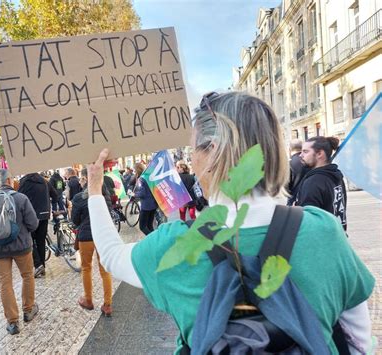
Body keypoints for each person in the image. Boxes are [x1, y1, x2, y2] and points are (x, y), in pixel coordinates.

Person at [85, 92, 374, 354]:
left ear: (212, 152)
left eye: (192, 149)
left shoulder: (174, 245)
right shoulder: (323, 231)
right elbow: (359, 341)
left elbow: (110, 255)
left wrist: (95, 188)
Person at [0, 169, 39, 335]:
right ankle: (28, 310)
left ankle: (12, 322)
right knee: (27, 275)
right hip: (21, 246)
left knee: (5, 283)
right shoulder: (20, 198)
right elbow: (33, 224)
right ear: (10, 180)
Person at [71, 168, 113, 316]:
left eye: (82, 179)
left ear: (86, 179)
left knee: (86, 268)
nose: (81, 182)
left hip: (86, 237)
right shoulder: (105, 194)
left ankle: (88, 299)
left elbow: (75, 220)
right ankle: (107, 304)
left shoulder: (79, 197)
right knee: (105, 269)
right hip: (102, 236)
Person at [296, 136, 347, 230]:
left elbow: (309, 221)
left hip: (321, 241)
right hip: (338, 237)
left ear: (320, 154)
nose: (300, 155)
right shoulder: (336, 176)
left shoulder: (313, 182)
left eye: (305, 151)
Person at [18, 173, 57, 278]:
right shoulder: (44, 181)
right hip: (44, 215)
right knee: (41, 241)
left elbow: (19, 198)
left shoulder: (24, 182)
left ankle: (38, 265)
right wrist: (52, 206)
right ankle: (42, 267)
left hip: (31, 216)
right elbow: (55, 195)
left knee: (29, 241)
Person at [133, 162, 158, 236]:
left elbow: (142, 193)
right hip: (153, 204)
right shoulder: (148, 177)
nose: (134, 172)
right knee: (150, 225)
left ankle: (153, 239)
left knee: (142, 227)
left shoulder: (141, 179)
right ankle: (155, 238)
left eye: (134, 170)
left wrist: (134, 194)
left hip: (146, 206)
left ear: (137, 170)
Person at [287, 139, 310, 206]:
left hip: (294, 199)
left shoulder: (289, 163)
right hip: (309, 197)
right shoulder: (309, 160)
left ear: (290, 149)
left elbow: (286, 186)